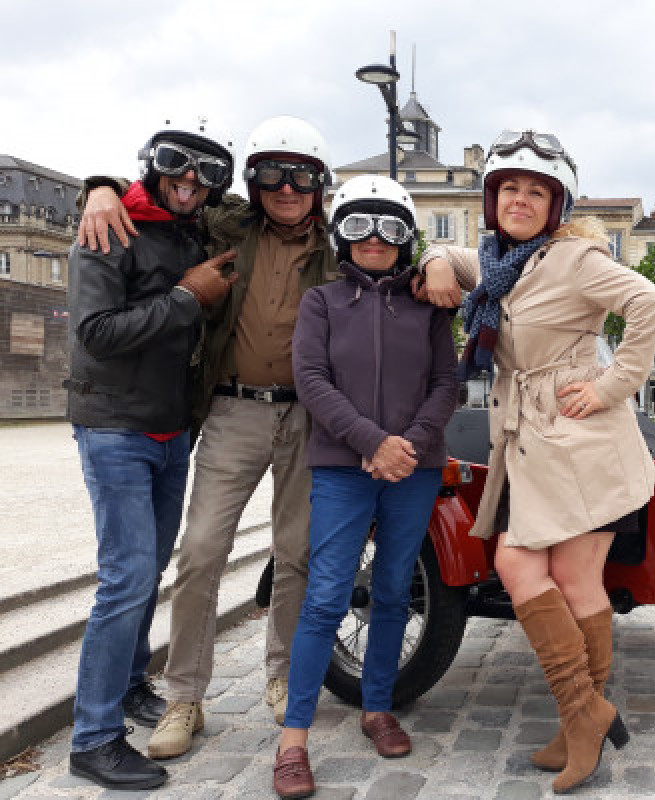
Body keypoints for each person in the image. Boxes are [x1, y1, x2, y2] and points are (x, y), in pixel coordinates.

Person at [78, 116, 339, 758]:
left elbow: (403, 245)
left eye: (301, 175)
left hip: (308, 415)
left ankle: (282, 677)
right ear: (251, 181)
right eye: (271, 173)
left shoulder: (340, 245)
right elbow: (171, 188)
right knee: (199, 552)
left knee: (297, 552)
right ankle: (185, 696)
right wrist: (100, 186)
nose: (286, 187)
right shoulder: (224, 224)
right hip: (233, 407)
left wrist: (441, 259)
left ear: (321, 184)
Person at [420, 129, 655, 793]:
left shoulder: (572, 258)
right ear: (492, 197)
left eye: (537, 191)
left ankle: (582, 718)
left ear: (556, 205)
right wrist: (441, 261)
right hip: (533, 440)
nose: (521, 199)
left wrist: (613, 385)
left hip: (581, 439)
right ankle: (581, 718)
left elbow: (652, 304)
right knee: (556, 574)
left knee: (540, 570)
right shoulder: (501, 262)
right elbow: (449, 256)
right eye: (510, 188)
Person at [270, 176, 459, 798]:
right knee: (326, 597)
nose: (374, 238)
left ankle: (377, 707)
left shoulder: (431, 308)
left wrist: (409, 444)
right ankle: (294, 736)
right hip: (344, 466)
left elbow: (446, 382)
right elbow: (312, 379)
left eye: (388, 227)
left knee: (394, 592)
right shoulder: (322, 303)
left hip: (414, 467)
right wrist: (371, 442)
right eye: (358, 225)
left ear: (405, 239)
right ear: (340, 235)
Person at [65, 119, 238, 789]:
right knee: (127, 574)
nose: (191, 179)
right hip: (115, 427)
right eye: (177, 164)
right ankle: (94, 736)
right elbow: (96, 334)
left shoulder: (191, 226)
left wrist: (98, 184)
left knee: (152, 565)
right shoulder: (109, 231)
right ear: (150, 163)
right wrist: (187, 297)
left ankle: (132, 686)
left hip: (171, 428)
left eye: (208, 171)